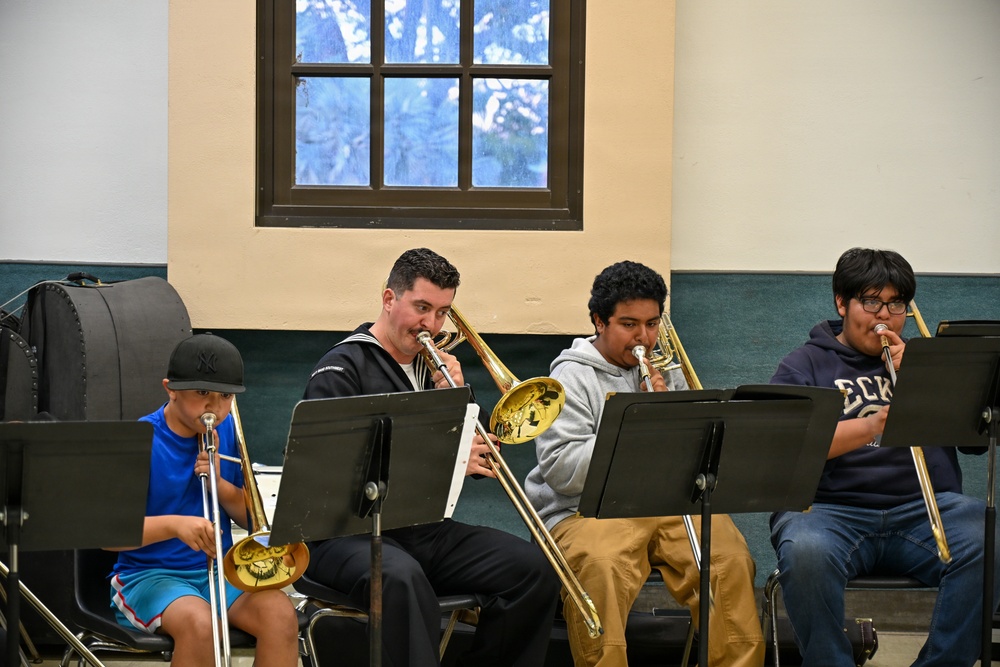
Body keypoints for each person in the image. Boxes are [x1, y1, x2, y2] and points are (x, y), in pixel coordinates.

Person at [302, 247, 560, 667]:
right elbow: (332, 475)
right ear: (389, 299)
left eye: (442, 312)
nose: (432, 326)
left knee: (532, 571)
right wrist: (448, 455)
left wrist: (455, 401)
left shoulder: (435, 369)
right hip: (345, 535)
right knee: (402, 578)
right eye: (422, 308)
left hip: (422, 531)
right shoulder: (341, 368)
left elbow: (477, 463)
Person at [524, 260, 765, 667]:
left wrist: (675, 415)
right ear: (599, 321)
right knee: (602, 567)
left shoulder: (666, 372)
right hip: (585, 512)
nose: (644, 338)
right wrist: (638, 426)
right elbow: (562, 471)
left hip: (667, 504)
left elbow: (701, 456)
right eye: (629, 324)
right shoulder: (569, 377)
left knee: (729, 559)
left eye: (652, 324)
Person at [769, 247, 1000, 666]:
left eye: (897, 305)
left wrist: (930, 378)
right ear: (842, 303)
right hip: (830, 510)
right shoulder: (803, 364)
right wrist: (873, 426)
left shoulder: (924, 360)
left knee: (991, 537)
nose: (884, 316)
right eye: (871, 302)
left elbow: (974, 438)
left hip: (925, 510)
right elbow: (789, 450)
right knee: (804, 551)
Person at [109, 333, 300, 667]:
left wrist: (221, 487)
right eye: (201, 394)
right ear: (170, 388)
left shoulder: (225, 429)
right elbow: (108, 537)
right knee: (201, 625)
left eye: (225, 396)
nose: (214, 407)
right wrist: (174, 526)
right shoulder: (142, 439)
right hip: (151, 575)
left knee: (280, 615)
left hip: (220, 573)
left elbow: (250, 520)